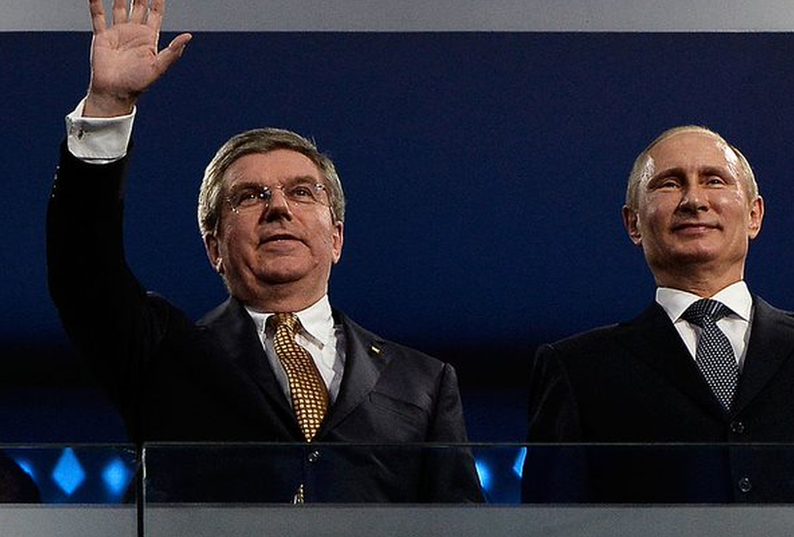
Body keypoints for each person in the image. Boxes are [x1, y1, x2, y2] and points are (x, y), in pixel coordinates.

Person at [48, 0, 481, 503]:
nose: (278, 207)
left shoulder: (422, 381)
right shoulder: (165, 356)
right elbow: (83, 273)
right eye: (249, 197)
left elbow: (461, 525)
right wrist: (107, 106)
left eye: (302, 192)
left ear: (336, 237)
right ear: (214, 246)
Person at [524, 125, 794, 504]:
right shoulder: (577, 368)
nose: (694, 200)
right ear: (633, 224)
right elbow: (549, 529)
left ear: (754, 214)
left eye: (714, 180)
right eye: (669, 183)